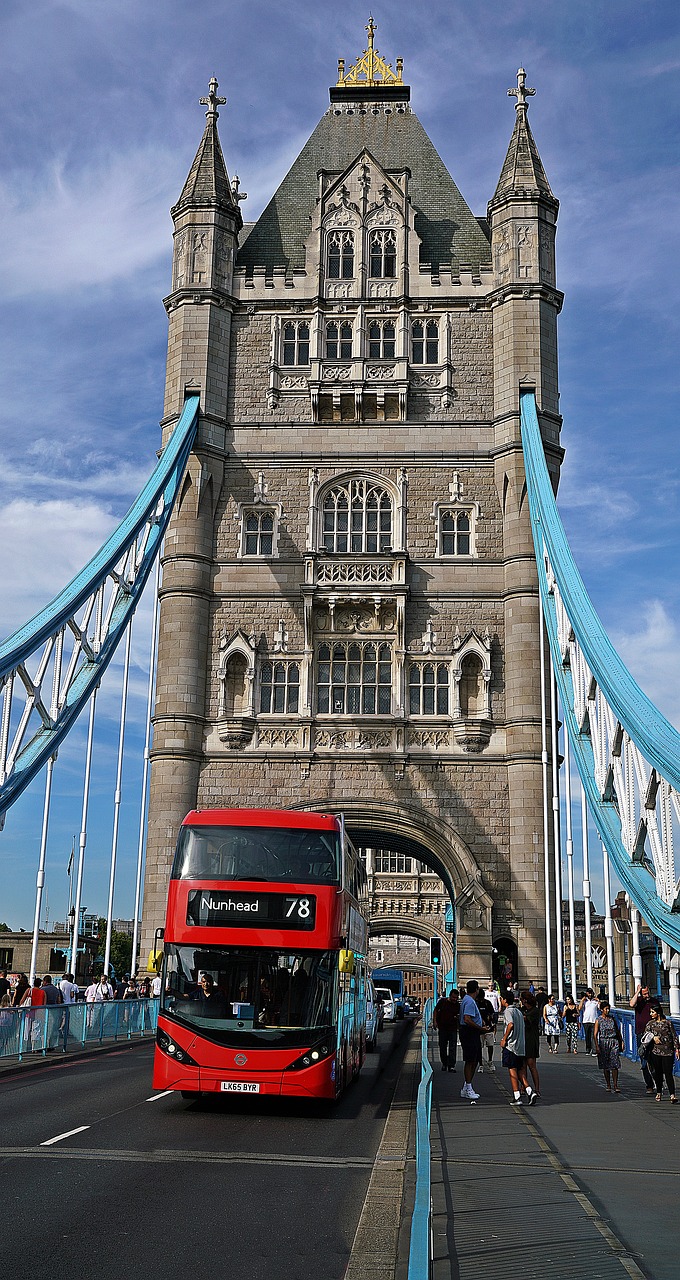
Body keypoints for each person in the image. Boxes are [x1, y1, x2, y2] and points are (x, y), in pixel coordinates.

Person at [500, 990, 536, 1105]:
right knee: (521, 1070)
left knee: (512, 1070)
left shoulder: (508, 1011)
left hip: (511, 1045)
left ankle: (517, 1095)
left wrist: (504, 1038)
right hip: (521, 1045)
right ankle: (530, 1091)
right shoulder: (519, 1012)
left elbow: (510, 1024)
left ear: (505, 1000)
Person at [642, 1005, 680, 1102]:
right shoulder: (650, 1024)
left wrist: (677, 1049)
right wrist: (653, 1037)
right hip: (656, 1051)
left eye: (652, 1012)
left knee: (668, 1073)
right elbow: (645, 1035)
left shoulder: (668, 1023)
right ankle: (659, 1092)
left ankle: (672, 1095)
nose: (651, 1014)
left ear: (658, 1013)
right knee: (658, 1073)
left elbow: (674, 1036)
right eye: (650, 1012)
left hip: (668, 1051)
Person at [458, 980, 487, 1101]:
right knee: (471, 1060)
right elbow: (467, 1019)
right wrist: (481, 1028)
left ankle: (466, 1087)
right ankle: (468, 1087)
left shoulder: (467, 1000)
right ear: (477, 989)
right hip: (470, 1033)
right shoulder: (469, 1001)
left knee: (474, 1059)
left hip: (469, 1032)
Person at [630, 983, 656, 1094]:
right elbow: (631, 1004)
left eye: (648, 993)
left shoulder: (654, 1002)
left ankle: (657, 1082)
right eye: (644, 993)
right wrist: (637, 992)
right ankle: (649, 1085)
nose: (647, 995)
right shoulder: (639, 1001)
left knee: (654, 1060)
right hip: (641, 1034)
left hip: (653, 1034)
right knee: (644, 1060)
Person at [593, 999, 623, 1092]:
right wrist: (597, 1046)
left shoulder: (612, 1018)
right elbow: (595, 1034)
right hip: (603, 1042)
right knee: (605, 1065)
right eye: (606, 1009)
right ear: (602, 1009)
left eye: (608, 1009)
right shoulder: (599, 1020)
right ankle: (608, 1084)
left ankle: (615, 1085)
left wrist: (621, 1041)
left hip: (613, 1041)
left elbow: (617, 1031)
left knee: (615, 1063)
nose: (608, 1011)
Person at [432, 988, 459, 1072]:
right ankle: (444, 1063)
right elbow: (435, 1010)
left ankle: (451, 1065)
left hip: (452, 1028)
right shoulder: (442, 1002)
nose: (455, 999)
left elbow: (459, 1015)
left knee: (452, 1047)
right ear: (450, 996)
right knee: (442, 1046)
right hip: (443, 1027)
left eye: (456, 998)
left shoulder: (457, 1005)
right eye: (453, 997)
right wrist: (434, 1021)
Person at [521, 990, 541, 1096]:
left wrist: (523, 1017)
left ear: (525, 1000)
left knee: (531, 1065)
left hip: (531, 1039)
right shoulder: (522, 1009)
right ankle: (524, 1086)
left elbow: (529, 1021)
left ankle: (537, 1089)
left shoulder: (535, 1011)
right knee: (523, 1065)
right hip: (523, 1039)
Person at [477, 986, 497, 1073]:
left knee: (490, 1045)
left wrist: (492, 1021)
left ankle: (490, 1061)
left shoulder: (487, 1003)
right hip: (479, 1029)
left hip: (489, 1028)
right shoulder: (475, 1003)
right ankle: (480, 1064)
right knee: (479, 1047)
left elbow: (493, 1014)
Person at [59, 973, 79, 1051]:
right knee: (66, 1017)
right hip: (68, 1003)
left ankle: (61, 1029)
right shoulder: (71, 985)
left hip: (61, 1003)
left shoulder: (59, 984)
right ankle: (63, 1029)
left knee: (61, 1016)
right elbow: (72, 995)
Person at [41, 975, 62, 1051]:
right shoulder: (56, 989)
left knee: (44, 1029)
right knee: (52, 1029)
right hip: (54, 1010)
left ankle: (43, 1046)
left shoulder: (42, 989)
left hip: (45, 1011)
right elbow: (59, 1001)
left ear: (45, 981)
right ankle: (51, 1045)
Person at [579, 989, 600, 1056]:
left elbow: (600, 1008)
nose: (590, 995)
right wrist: (582, 999)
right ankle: (588, 1049)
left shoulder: (595, 1001)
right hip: (586, 1020)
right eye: (589, 993)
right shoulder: (585, 1001)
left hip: (594, 1021)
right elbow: (579, 1008)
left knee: (594, 1036)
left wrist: (598, 1001)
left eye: (591, 993)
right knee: (587, 1036)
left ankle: (594, 1050)